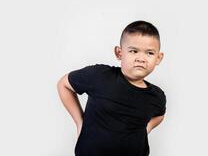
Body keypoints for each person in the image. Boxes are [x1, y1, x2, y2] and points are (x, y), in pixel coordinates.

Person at [57, 20, 167, 156]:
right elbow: (64, 85)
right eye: (134, 51)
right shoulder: (99, 76)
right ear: (119, 53)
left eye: (149, 53)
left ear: (158, 58)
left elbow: (160, 115)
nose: (141, 58)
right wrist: (80, 122)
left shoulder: (157, 96)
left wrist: (146, 128)